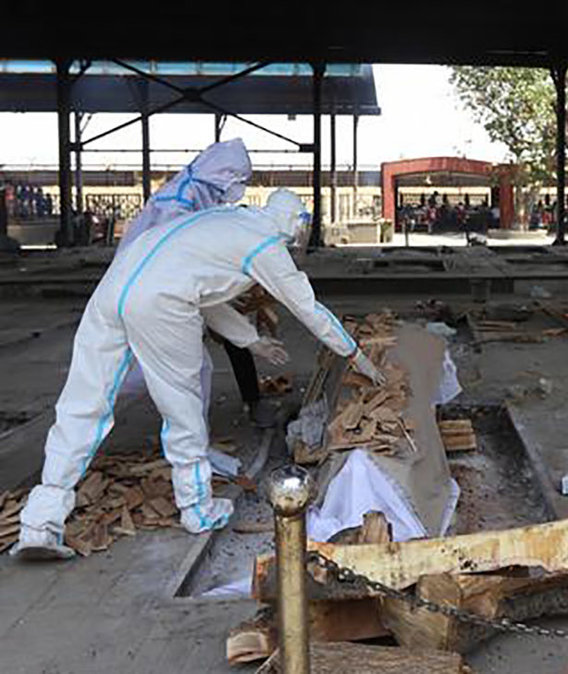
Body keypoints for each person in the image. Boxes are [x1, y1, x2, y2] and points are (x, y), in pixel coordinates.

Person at [14, 189, 385, 560]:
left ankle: (40, 523)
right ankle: (197, 508)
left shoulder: (226, 220)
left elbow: (201, 290)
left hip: (115, 286)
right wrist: (354, 353)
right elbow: (310, 310)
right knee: (182, 405)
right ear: (296, 224)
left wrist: (253, 341)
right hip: (161, 301)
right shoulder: (267, 244)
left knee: (83, 403)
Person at [116, 139, 275, 426]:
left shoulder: (194, 196)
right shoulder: (177, 206)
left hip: (159, 289)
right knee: (184, 366)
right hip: (151, 293)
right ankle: (188, 446)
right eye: (238, 181)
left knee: (185, 365)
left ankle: (190, 440)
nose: (237, 190)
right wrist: (220, 296)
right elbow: (181, 263)